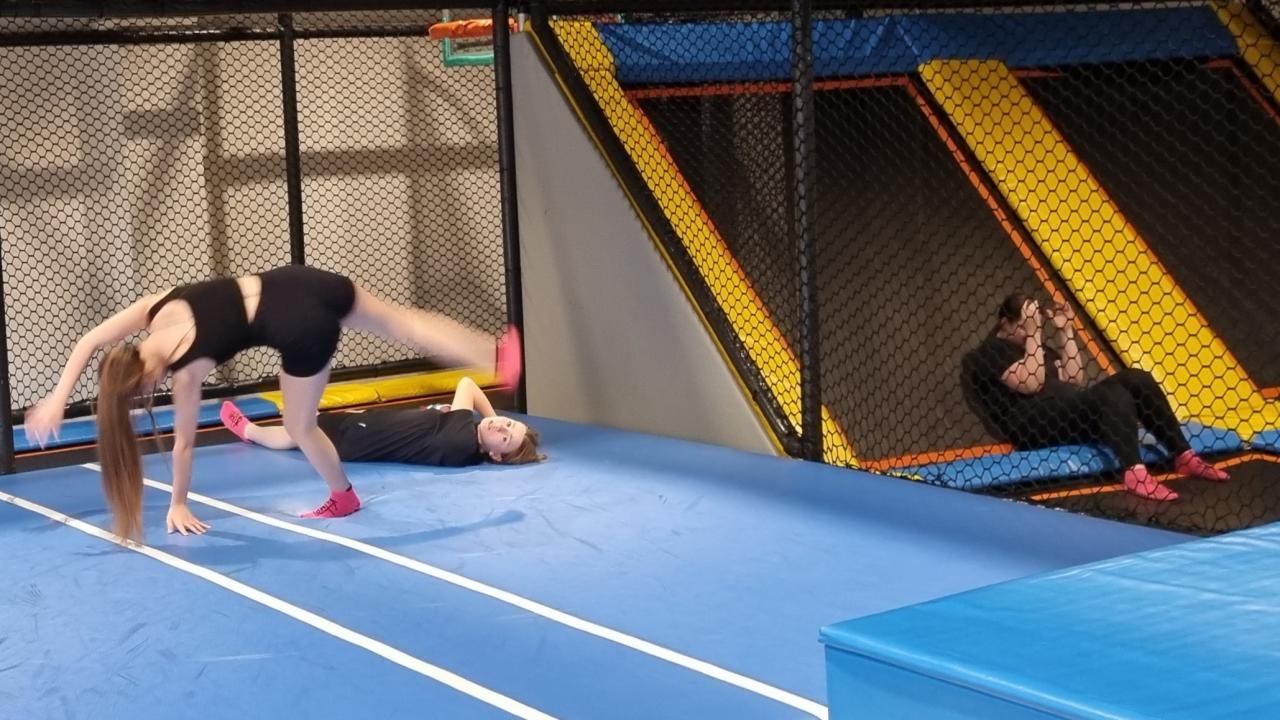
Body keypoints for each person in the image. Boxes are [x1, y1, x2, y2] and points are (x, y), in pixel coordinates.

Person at [23, 265, 523, 539]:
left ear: (145, 380)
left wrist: (177, 503)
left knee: (300, 425)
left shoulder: (186, 371)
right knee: (403, 323)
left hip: (299, 325)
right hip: (303, 281)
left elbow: (184, 446)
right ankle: (496, 355)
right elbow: (91, 340)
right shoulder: (155, 307)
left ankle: (343, 497)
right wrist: (57, 398)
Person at [962, 292, 1228, 501]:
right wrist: (1033, 334)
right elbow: (1030, 384)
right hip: (1036, 425)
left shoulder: (1035, 347)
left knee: (1137, 378)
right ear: (1005, 323)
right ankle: (1134, 474)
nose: (1029, 332)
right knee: (1111, 395)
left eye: (1032, 326)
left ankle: (1184, 455)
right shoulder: (990, 352)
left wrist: (1066, 331)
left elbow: (1074, 378)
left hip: (1066, 413)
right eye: (1022, 327)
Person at [217, 376, 544, 467]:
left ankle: (250, 431)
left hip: (360, 438)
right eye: (507, 423)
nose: (500, 426)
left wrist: (488, 415)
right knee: (308, 426)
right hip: (369, 430)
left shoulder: (462, 434)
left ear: (495, 455)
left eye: (504, 437)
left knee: (299, 432)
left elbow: (467, 384)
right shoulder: (464, 443)